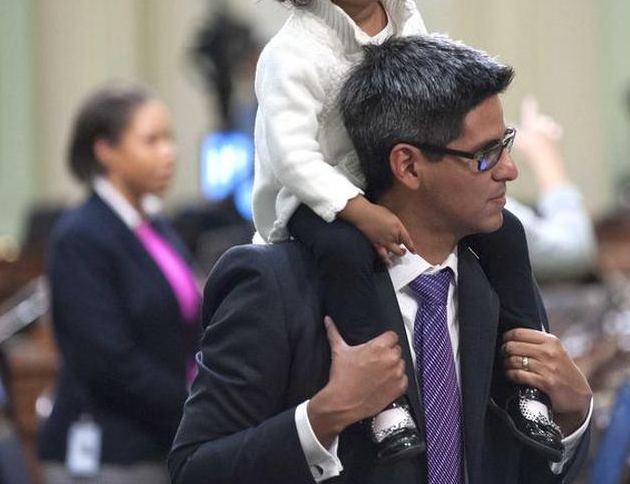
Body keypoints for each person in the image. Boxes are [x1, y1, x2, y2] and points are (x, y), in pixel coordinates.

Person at [250, 0, 562, 461]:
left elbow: (428, 94)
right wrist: (356, 210)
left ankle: (529, 386)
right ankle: (386, 401)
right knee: (345, 250)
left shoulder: (401, 14)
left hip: (377, 182)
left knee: (507, 232)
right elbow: (291, 157)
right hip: (311, 200)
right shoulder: (292, 52)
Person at [169, 34, 592, 484]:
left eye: (505, 143)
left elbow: (523, 470)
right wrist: (325, 414)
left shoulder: (497, 280)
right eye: (486, 155)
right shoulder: (275, 286)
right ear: (407, 166)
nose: (510, 169)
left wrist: (573, 412)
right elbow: (194, 470)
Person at [39, 86, 202, 484]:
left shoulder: (156, 225)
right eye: (152, 140)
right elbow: (108, 362)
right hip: (111, 453)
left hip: (165, 437)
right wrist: (198, 407)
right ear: (106, 151)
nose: (169, 153)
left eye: (169, 139)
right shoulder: (80, 236)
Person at [506, 97, 597, 280]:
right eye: (486, 150)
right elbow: (574, 249)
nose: (510, 171)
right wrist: (544, 156)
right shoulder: (476, 208)